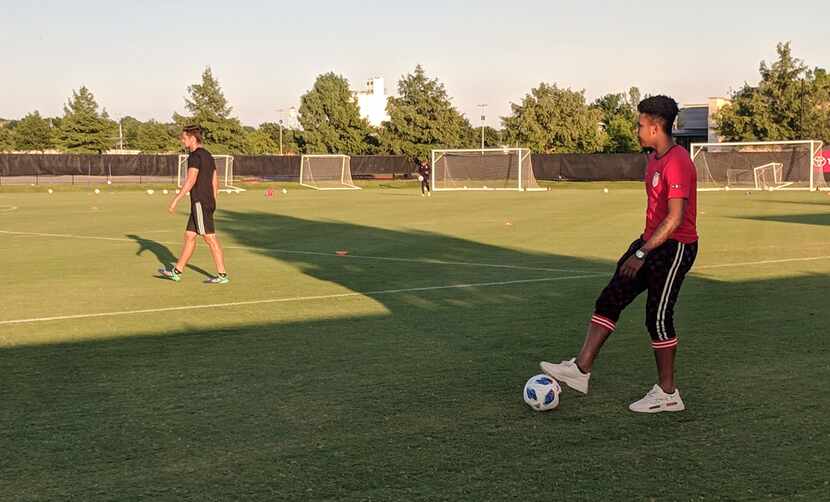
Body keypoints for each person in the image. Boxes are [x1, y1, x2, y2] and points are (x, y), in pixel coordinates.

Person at [540, 96, 698, 413]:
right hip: (650, 241)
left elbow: (675, 218)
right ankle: (581, 369)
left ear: (655, 127)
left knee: (657, 318)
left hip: (675, 246)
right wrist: (640, 247)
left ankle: (668, 393)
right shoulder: (654, 158)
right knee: (611, 297)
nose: (636, 129)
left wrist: (641, 252)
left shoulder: (678, 161)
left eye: (640, 124)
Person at [159, 125, 229, 284]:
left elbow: (191, 180)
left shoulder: (195, 156)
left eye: (184, 138)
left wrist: (176, 199)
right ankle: (177, 271)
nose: (182, 141)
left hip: (200, 203)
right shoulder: (208, 155)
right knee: (190, 235)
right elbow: (215, 181)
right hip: (205, 202)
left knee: (210, 238)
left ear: (192, 138)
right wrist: (213, 200)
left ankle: (222, 275)